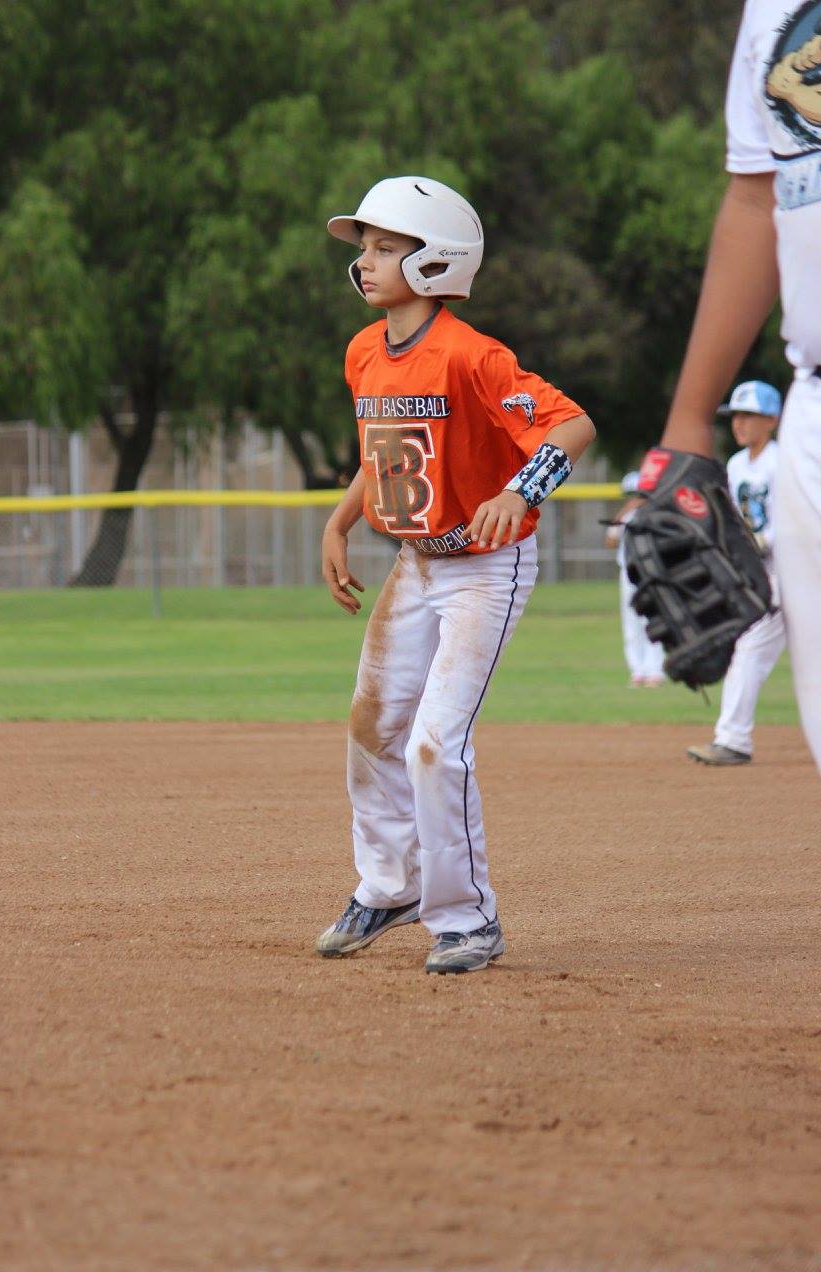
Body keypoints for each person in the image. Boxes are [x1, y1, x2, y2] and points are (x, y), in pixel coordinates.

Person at [315, 176, 595, 974]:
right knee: (371, 731)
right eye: (363, 248)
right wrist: (339, 523)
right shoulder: (365, 351)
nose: (364, 262)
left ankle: (467, 919)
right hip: (414, 565)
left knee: (436, 743)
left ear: (436, 261)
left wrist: (521, 488)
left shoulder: (474, 355)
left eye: (383, 247)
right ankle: (389, 884)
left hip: (484, 568)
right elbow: (386, 458)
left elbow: (571, 424)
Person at [660, 1, 821, 775]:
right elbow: (756, 198)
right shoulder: (771, 6)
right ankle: (734, 735)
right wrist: (689, 420)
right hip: (814, 402)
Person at [687, 380, 787, 765]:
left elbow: (798, 513)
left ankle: (733, 740)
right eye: (735, 415)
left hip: (796, 570)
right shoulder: (736, 464)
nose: (739, 423)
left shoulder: (784, 461)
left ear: (773, 420)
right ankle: (732, 740)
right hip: (765, 577)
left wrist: (764, 541)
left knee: (755, 649)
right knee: (750, 647)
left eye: (750, 415)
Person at [605, 470, 666, 688]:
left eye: (638, 493)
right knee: (631, 623)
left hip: (652, 573)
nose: (634, 497)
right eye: (631, 494)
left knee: (653, 620)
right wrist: (624, 514)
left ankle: (655, 671)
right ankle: (638, 670)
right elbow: (611, 541)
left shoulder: (657, 514)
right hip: (629, 573)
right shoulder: (626, 515)